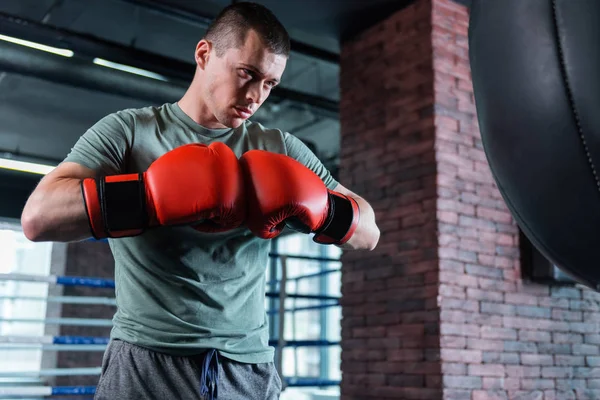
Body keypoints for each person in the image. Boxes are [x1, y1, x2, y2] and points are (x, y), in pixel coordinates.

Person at [20, 2, 380, 399]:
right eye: (248, 73)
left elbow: (368, 233)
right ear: (205, 54)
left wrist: (323, 209)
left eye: (270, 84)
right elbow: (38, 218)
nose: (256, 95)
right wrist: (150, 196)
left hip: (248, 368)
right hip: (148, 362)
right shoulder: (129, 132)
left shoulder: (280, 148)